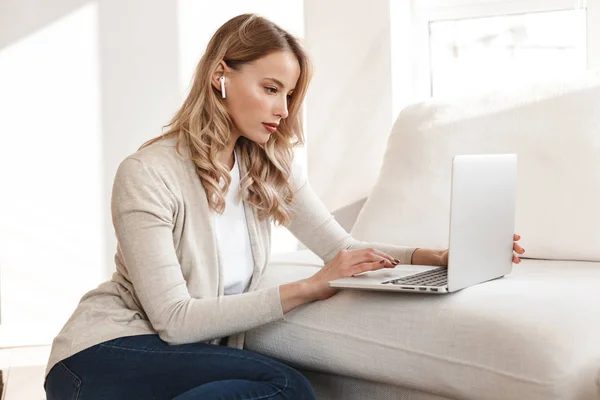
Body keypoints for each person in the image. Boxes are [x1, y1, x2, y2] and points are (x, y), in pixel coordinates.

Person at [43, 13, 525, 400]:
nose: (283, 108)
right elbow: (175, 320)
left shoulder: (269, 165)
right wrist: (308, 287)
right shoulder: (147, 173)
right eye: (270, 88)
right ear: (220, 78)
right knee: (283, 385)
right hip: (102, 354)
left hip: (174, 360)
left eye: (290, 94)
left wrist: (437, 257)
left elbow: (343, 248)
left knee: (268, 387)